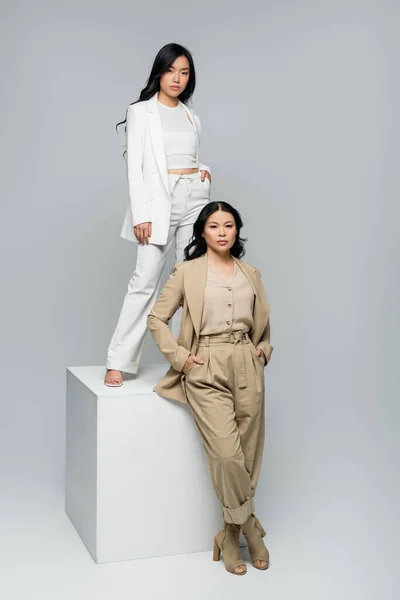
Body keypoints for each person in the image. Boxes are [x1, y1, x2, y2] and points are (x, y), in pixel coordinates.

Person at [147, 202, 273, 575]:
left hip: (247, 364)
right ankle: (249, 525)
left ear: (237, 231)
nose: (222, 231)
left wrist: (263, 350)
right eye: (214, 225)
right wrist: (180, 358)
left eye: (229, 225)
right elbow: (157, 318)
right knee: (227, 454)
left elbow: (264, 324)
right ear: (202, 232)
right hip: (205, 365)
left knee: (248, 454)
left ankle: (229, 534)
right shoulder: (187, 272)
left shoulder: (251, 272)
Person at [105, 42, 211, 387]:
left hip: (193, 199)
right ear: (159, 72)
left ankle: (185, 362)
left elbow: (187, 158)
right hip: (157, 204)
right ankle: (118, 360)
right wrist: (141, 215)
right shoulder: (141, 112)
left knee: (190, 281)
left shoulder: (191, 115)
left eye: (184, 72)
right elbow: (136, 168)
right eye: (171, 70)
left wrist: (204, 170)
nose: (177, 78)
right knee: (144, 282)